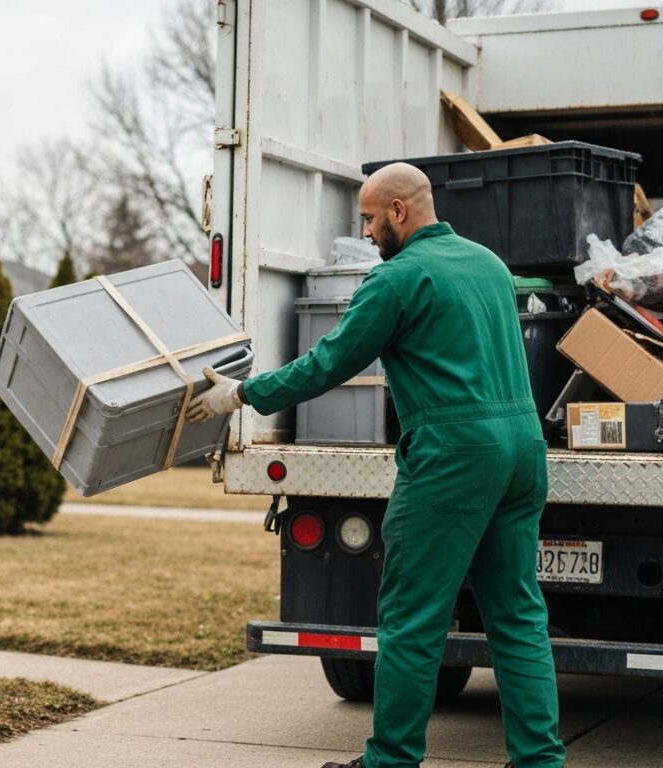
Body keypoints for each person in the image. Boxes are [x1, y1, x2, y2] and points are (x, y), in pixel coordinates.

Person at [187, 163, 566, 768]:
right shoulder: (489, 264)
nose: (364, 232)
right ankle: (540, 762)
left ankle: (389, 761)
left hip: (453, 455)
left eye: (368, 217)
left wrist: (239, 394)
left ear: (398, 211)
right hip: (523, 446)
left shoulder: (396, 279)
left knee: (412, 621)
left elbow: (328, 364)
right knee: (518, 616)